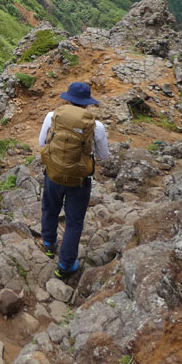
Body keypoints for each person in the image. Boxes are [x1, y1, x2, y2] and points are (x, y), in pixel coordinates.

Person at [38, 81, 110, 280]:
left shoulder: (52, 117)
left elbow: (42, 142)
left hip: (53, 174)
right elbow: (104, 155)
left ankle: (49, 245)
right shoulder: (96, 126)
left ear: (67, 99)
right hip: (79, 180)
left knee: (50, 208)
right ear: (86, 104)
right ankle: (65, 264)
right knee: (74, 222)